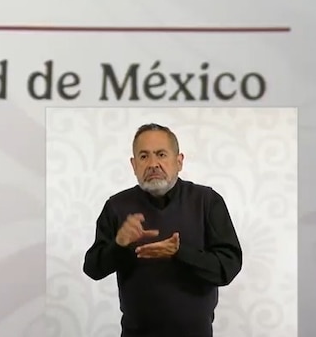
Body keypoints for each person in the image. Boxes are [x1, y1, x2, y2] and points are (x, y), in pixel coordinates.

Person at [82, 123, 243, 337]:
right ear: (133, 165)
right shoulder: (116, 206)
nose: (153, 164)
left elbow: (227, 268)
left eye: (161, 154)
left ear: (179, 161)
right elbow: (92, 268)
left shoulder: (207, 201)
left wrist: (179, 252)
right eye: (144, 156)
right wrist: (119, 245)